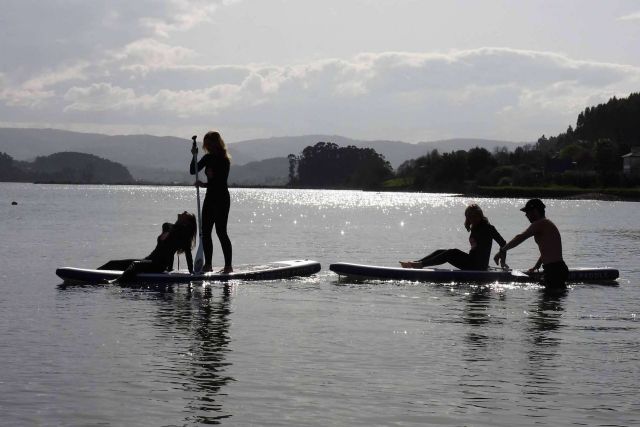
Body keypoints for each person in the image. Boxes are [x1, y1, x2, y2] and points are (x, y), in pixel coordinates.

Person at [400, 204, 506, 270]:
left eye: (475, 216)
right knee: (440, 251)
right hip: (472, 262)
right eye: (470, 217)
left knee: (451, 252)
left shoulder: (488, 228)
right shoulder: (474, 228)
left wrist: (503, 260)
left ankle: (419, 265)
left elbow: (503, 243)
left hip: (478, 266)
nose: (472, 219)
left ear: (480, 215)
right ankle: (416, 263)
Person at [98, 211, 197, 282]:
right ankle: (93, 273)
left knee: (135, 265)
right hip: (150, 260)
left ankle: (115, 282)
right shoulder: (169, 227)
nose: (184, 212)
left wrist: (191, 272)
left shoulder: (183, 237)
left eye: (186, 214)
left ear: (186, 222)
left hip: (158, 265)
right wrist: (170, 268)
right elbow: (166, 240)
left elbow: (187, 255)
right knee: (112, 263)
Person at [493, 198, 568, 288]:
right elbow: (548, 250)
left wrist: (502, 250)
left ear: (535, 211)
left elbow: (520, 237)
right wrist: (537, 266)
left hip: (554, 270)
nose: (526, 215)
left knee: (549, 300)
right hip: (556, 268)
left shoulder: (540, 223)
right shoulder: (546, 224)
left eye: (527, 212)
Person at [190, 131, 233, 273]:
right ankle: (208, 265)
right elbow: (192, 170)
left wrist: (204, 184)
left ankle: (228, 266)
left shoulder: (224, 160)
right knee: (206, 232)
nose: (206, 146)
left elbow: (220, 182)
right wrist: (194, 156)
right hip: (210, 198)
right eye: (205, 143)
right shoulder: (207, 158)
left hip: (221, 199)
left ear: (216, 143)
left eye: (209, 143)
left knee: (221, 232)